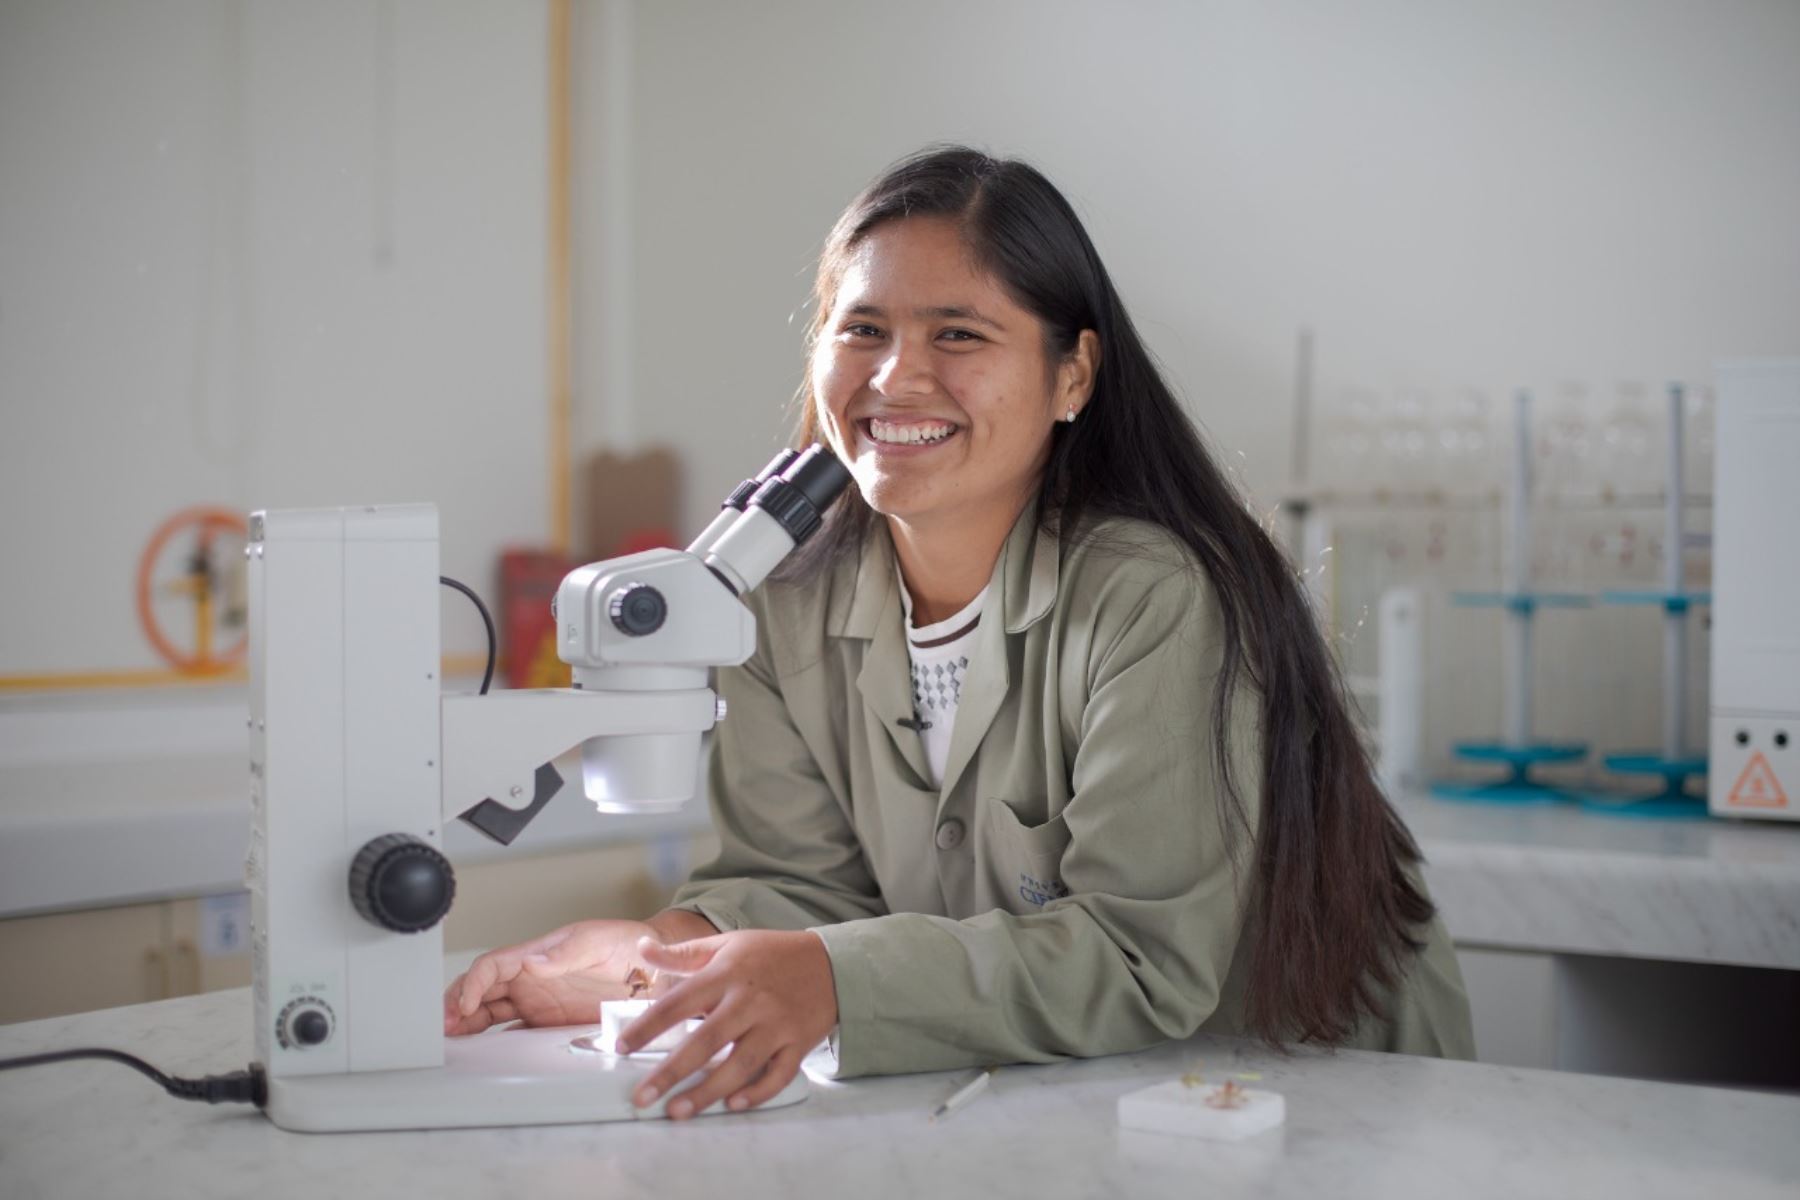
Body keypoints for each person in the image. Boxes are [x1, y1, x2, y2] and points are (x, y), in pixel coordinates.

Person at [445, 145, 1475, 1121]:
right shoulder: (775, 601)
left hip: (1302, 1087)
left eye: (959, 334)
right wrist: (658, 956)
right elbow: (805, 886)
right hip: (1075, 1100)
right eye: (862, 330)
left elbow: (1139, 956)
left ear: (1073, 374)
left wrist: (833, 981)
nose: (896, 378)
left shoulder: (1150, 594)